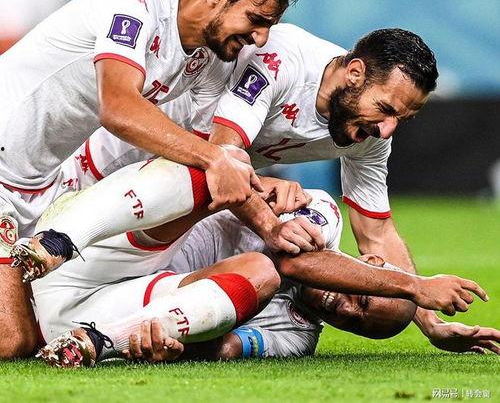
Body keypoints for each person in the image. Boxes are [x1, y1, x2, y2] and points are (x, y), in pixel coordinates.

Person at [10, 25, 487, 351]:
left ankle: (95, 338)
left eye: (402, 119)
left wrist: (427, 318)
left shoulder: (368, 134)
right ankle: (54, 241)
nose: (388, 130)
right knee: (216, 169)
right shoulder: (283, 61)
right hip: (109, 172)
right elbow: (219, 156)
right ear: (355, 72)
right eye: (386, 109)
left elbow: (377, 236)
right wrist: (267, 213)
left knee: (16, 342)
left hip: (156, 235)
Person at [0, 0, 304, 359]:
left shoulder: (214, 56)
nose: (260, 38)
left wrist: (265, 211)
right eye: (255, 20)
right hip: (6, 172)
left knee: (30, 335)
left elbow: (208, 152)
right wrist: (216, 159)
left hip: (43, 188)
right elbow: (118, 108)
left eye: (270, 25)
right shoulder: (134, 6)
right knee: (11, 340)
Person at [34, 189, 492, 368]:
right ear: (371, 266)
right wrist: (416, 287)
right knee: (213, 183)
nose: (345, 308)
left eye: (356, 323)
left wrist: (179, 345)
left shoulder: (296, 338)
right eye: (363, 300)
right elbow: (292, 264)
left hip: (116, 304)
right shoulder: (324, 216)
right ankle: (55, 231)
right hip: (113, 249)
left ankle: (98, 342)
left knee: (11, 345)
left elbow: (228, 347)